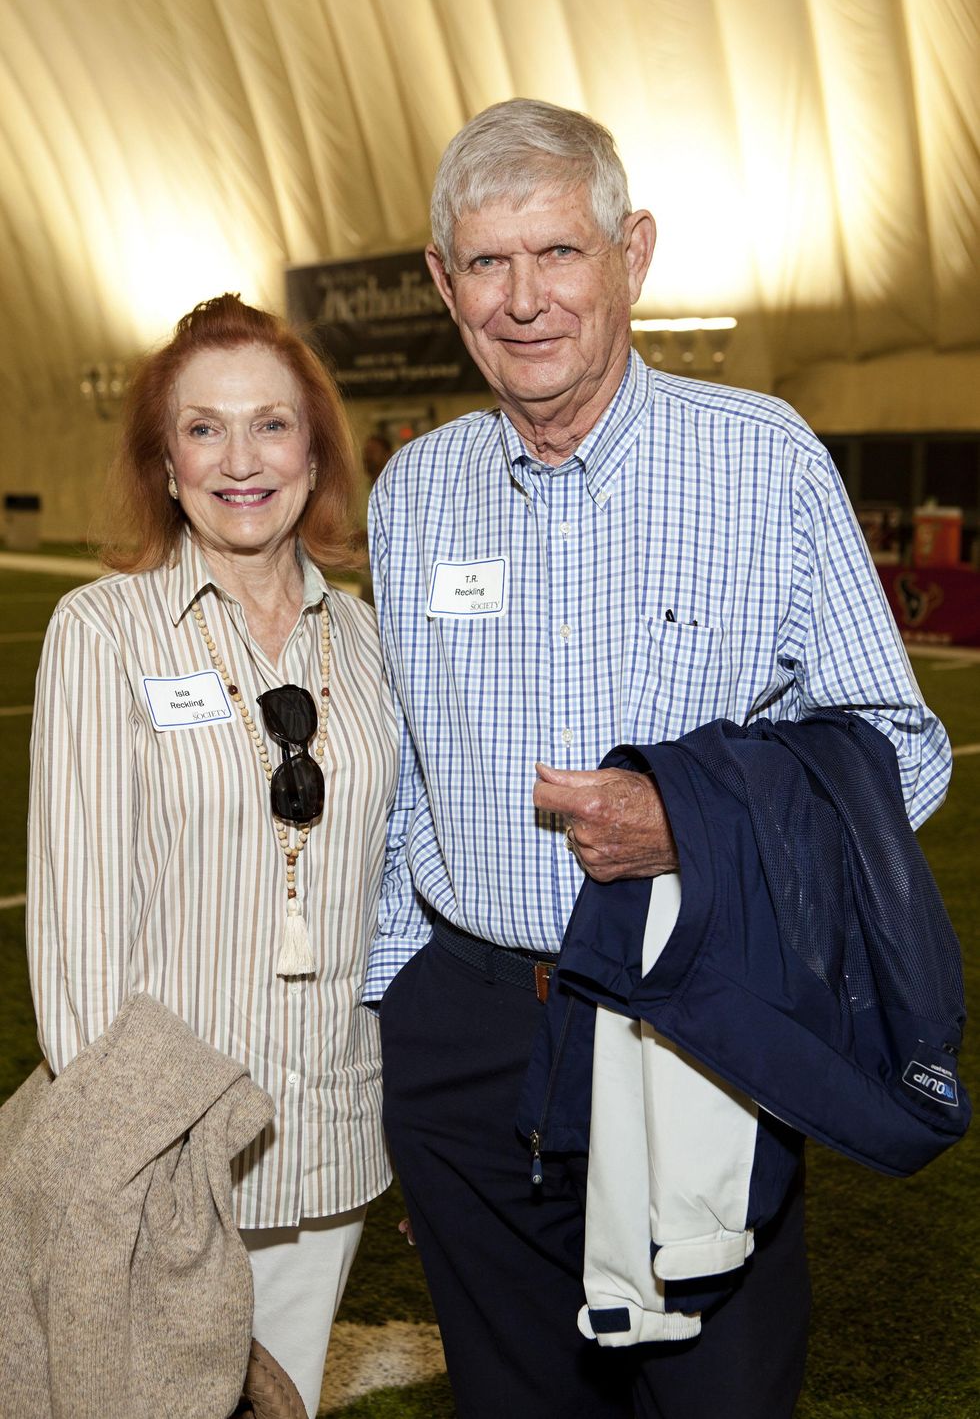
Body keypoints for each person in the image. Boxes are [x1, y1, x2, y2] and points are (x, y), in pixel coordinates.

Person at [365, 99, 952, 1419]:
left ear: (632, 251)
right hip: (461, 1029)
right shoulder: (414, 491)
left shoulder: (762, 460)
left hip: (688, 1015)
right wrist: (395, 1017)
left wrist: (700, 823)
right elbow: (396, 777)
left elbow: (904, 748)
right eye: (488, 263)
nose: (525, 300)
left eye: (559, 253)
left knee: (715, 1396)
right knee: (514, 1396)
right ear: (442, 280)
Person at [27, 293, 399, 1417]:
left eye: (271, 425)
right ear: (164, 458)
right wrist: (133, 1158)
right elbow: (77, 937)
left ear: (316, 449)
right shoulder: (103, 631)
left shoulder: (373, 641)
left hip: (330, 1130)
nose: (241, 460)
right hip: (172, 1151)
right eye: (203, 428)